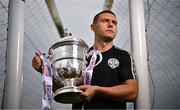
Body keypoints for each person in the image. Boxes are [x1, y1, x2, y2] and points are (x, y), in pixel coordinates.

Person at [32, 10, 138, 109]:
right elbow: (64, 88)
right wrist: (43, 69)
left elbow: (132, 92)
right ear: (93, 27)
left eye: (114, 22)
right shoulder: (81, 56)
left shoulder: (123, 56)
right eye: (105, 21)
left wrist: (96, 90)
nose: (111, 24)